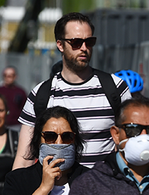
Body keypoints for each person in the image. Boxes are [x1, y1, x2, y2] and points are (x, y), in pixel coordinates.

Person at [14, 12, 131, 169]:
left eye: (89, 42)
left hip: (105, 189)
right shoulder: (41, 94)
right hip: (57, 189)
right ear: (60, 45)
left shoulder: (116, 88)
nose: (84, 48)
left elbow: (130, 145)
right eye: (76, 42)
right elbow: (24, 158)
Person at [0, 66, 28, 132]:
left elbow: (25, 109)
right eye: (5, 75)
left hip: (16, 125)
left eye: (11, 75)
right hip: (0, 124)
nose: (8, 78)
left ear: (15, 76)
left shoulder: (21, 92)